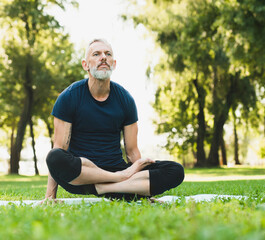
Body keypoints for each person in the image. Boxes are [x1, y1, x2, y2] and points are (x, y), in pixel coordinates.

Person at [42, 39, 184, 202]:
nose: (103, 57)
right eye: (96, 54)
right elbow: (60, 148)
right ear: (85, 65)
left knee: (175, 170)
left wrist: (141, 182)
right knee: (54, 157)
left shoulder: (125, 99)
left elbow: (131, 151)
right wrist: (50, 196)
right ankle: (125, 185)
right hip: (82, 175)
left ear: (114, 64)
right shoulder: (69, 97)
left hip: (116, 169)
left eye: (108, 54)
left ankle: (105, 188)